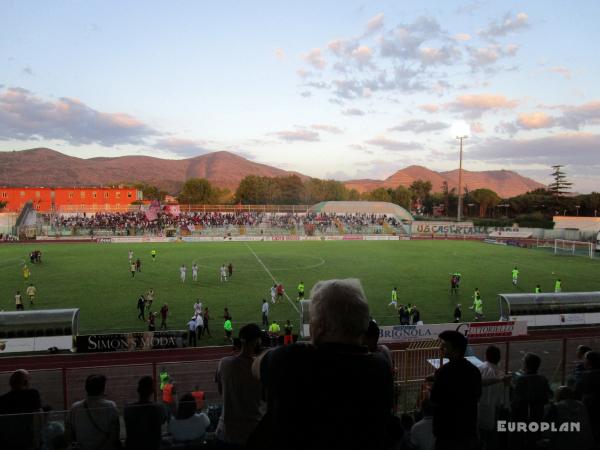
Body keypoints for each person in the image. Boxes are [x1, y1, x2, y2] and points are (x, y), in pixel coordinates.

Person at [252, 278, 401, 450]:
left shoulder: (293, 360)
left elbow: (256, 367)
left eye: (313, 317)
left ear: (320, 326)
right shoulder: (380, 367)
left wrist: (305, 345)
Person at [215, 323, 266, 448]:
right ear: (257, 341)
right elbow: (265, 398)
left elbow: (221, 391)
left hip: (225, 433)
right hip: (253, 433)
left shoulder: (224, 363)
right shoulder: (261, 367)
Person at [430, 330, 481, 450]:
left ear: (456, 350)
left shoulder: (443, 372)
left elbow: (434, 400)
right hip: (468, 431)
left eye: (444, 346)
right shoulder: (474, 371)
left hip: (447, 434)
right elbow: (477, 396)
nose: (440, 348)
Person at [511, 352, 553, 450]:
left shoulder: (521, 380)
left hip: (523, 417)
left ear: (526, 365)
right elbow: (549, 395)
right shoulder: (543, 379)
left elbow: (516, 401)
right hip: (538, 416)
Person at [68, 374, 121, 450]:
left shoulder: (75, 407)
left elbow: (70, 434)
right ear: (103, 389)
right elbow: (114, 435)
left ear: (86, 388)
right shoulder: (110, 406)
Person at [0, 369, 42, 450]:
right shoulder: (32, 394)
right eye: (29, 380)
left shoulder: (1, 399)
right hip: (27, 441)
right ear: (25, 383)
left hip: (6, 443)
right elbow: (39, 415)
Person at [124, 376, 167, 450]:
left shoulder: (128, 409)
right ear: (153, 391)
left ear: (138, 390)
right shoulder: (159, 407)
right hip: (153, 446)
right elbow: (163, 421)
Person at [478, 345, 509, 450]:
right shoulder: (502, 376)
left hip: (476, 414)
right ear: (499, 358)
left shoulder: (478, 370)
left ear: (486, 356)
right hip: (493, 416)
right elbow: (504, 402)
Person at [574, 351, 600, 447]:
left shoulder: (585, 375)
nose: (583, 361)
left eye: (584, 359)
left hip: (590, 407)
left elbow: (577, 392)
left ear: (589, 362)